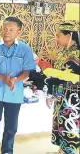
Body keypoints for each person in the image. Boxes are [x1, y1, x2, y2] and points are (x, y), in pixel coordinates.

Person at [0, 17, 36, 154]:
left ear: (18, 32)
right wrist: (2, 78)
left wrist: (15, 80)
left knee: (11, 126)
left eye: (11, 29)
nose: (6, 32)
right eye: (4, 28)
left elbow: (27, 71)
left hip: (14, 93)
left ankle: (7, 150)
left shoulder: (25, 49)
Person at [44, 23, 79, 154]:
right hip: (63, 95)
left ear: (69, 36)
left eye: (59, 36)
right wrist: (54, 95)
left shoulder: (76, 54)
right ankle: (62, 150)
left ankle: (68, 151)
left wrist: (48, 84)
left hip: (74, 98)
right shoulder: (64, 53)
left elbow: (64, 77)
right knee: (62, 123)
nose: (56, 39)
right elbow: (59, 76)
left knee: (70, 124)